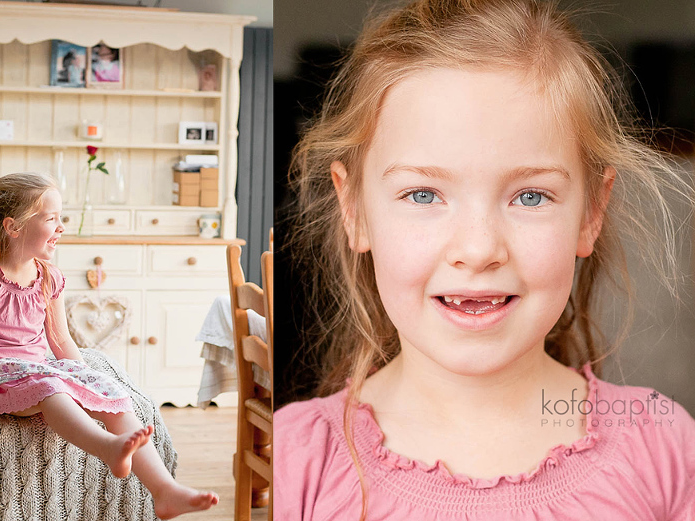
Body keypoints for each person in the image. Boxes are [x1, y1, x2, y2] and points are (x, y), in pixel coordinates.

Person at [276, 0, 695, 519]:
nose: (477, 251)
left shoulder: (661, 442)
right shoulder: (292, 461)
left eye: (530, 197)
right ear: (355, 209)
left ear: (591, 212)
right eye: (424, 195)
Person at [0, 173, 218, 519]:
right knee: (53, 388)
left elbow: (61, 339)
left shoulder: (49, 277)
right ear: (14, 226)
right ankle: (109, 448)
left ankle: (164, 490)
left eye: (61, 218)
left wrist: (86, 380)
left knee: (107, 389)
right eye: (51, 219)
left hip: (36, 371)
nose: (61, 227)